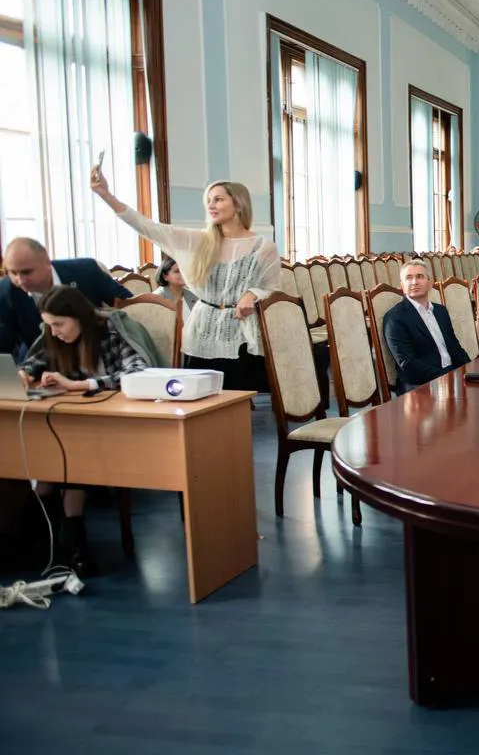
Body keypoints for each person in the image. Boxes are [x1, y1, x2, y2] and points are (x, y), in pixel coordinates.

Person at [90, 169, 280, 391]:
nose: (211, 205)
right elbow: (148, 227)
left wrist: (251, 294)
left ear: (238, 204)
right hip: (201, 332)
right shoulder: (198, 240)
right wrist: (107, 195)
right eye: (209, 201)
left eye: (218, 199)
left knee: (239, 399)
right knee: (199, 397)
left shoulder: (263, 247)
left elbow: (272, 287)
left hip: (240, 335)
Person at [19, 286, 148, 575]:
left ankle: (75, 547)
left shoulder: (110, 331)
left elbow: (137, 372)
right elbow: (33, 362)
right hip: (73, 426)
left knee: (68, 463)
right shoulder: (55, 336)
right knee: (49, 464)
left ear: (79, 317)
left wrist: (81, 385)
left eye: (59, 324)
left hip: (116, 426)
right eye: (49, 326)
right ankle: (59, 545)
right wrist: (24, 374)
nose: (54, 332)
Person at [1, 237, 131, 361]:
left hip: (97, 356)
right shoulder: (5, 291)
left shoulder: (85, 271)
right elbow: (3, 347)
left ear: (46, 260)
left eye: (27, 272)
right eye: (13, 273)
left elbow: (130, 304)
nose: (20, 280)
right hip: (41, 362)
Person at [382, 259, 469, 392]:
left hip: (451, 376)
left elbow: (455, 347)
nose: (414, 282)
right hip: (420, 385)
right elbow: (408, 363)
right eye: (408, 278)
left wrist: (470, 369)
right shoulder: (394, 318)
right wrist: (448, 377)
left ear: (430, 283)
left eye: (420, 276)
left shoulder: (441, 311)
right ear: (402, 285)